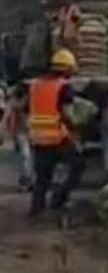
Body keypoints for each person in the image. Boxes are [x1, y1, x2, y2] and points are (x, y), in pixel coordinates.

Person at [22, 49, 85, 217]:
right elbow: (67, 114)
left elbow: (28, 109)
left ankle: (36, 211)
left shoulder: (35, 86)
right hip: (58, 139)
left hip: (38, 139)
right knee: (78, 165)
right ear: (67, 69)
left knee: (42, 178)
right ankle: (59, 198)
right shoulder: (64, 87)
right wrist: (76, 132)